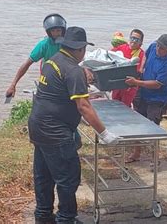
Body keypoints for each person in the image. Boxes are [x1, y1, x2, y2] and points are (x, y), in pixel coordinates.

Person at [28, 26, 121, 224]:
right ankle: (66, 219)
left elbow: (59, 93)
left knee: (43, 176)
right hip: (56, 132)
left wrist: (82, 76)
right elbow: (84, 107)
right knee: (68, 178)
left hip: (38, 126)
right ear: (79, 49)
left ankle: (43, 217)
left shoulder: (52, 62)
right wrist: (104, 134)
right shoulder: (73, 70)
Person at [124, 34, 167, 163]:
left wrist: (136, 82)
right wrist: (142, 66)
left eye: (162, 48)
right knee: (137, 123)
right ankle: (136, 153)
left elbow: (157, 84)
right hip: (143, 93)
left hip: (158, 98)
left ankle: (155, 157)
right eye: (158, 46)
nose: (158, 49)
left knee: (153, 127)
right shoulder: (153, 46)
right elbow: (146, 55)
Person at [6, 13, 67, 98]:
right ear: (49, 32)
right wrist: (13, 84)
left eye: (58, 31)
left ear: (63, 30)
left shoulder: (68, 43)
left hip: (65, 73)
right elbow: (27, 63)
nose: (56, 33)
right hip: (49, 75)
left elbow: (78, 58)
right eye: (53, 31)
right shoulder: (44, 45)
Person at [111, 29, 146, 107]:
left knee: (125, 107)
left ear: (141, 42)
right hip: (117, 84)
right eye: (132, 38)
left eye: (137, 39)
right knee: (114, 105)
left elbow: (140, 71)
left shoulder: (142, 54)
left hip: (130, 86)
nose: (133, 41)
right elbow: (107, 57)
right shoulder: (121, 48)